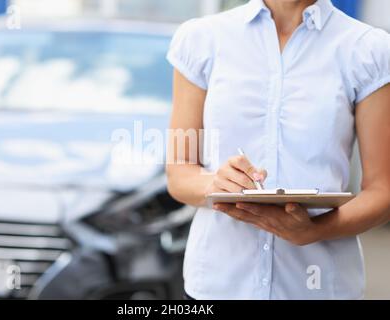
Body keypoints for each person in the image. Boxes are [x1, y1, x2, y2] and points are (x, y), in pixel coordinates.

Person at [166, 0, 390, 299]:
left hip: (319, 287)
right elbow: (179, 172)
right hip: (218, 284)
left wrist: (314, 230)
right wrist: (214, 184)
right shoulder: (201, 39)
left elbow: (383, 190)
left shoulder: (369, 49)